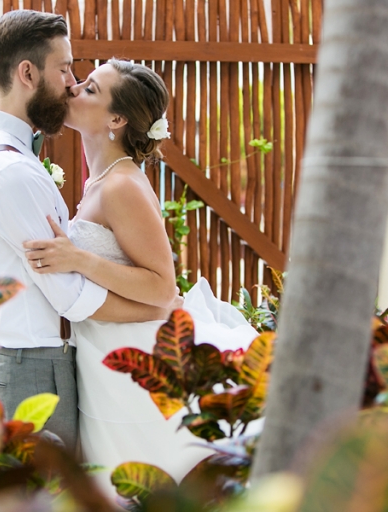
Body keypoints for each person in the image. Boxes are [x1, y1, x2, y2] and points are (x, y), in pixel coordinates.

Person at [22, 59, 259, 490]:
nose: (74, 89)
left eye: (90, 89)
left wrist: (79, 259)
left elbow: (162, 287)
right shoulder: (104, 180)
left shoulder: (121, 186)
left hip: (136, 363)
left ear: (116, 118)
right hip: (106, 356)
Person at [0, 11, 175, 453]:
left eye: (85, 81)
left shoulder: (21, 161)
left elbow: (149, 282)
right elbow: (70, 297)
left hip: (56, 361)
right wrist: (157, 309)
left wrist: (156, 300)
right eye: (64, 69)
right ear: (27, 73)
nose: (72, 83)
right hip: (30, 368)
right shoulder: (10, 171)